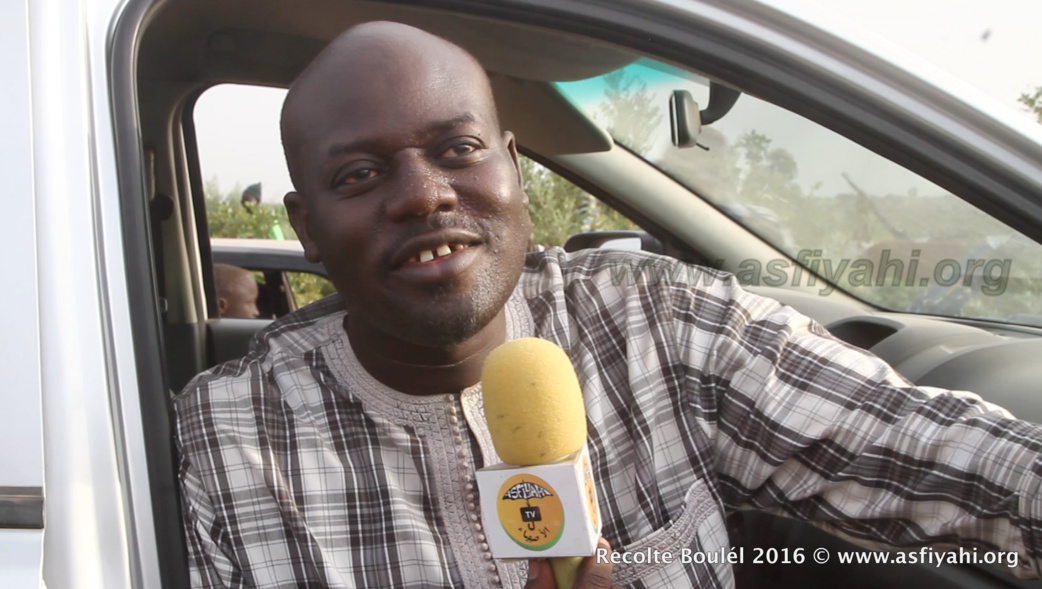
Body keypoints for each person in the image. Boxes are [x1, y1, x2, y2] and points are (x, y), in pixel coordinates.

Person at [173, 21, 1042, 589]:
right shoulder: (224, 444)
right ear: (308, 228)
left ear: (514, 168)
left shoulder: (660, 324)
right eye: (361, 174)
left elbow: (947, 459)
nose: (424, 194)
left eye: (458, 148)